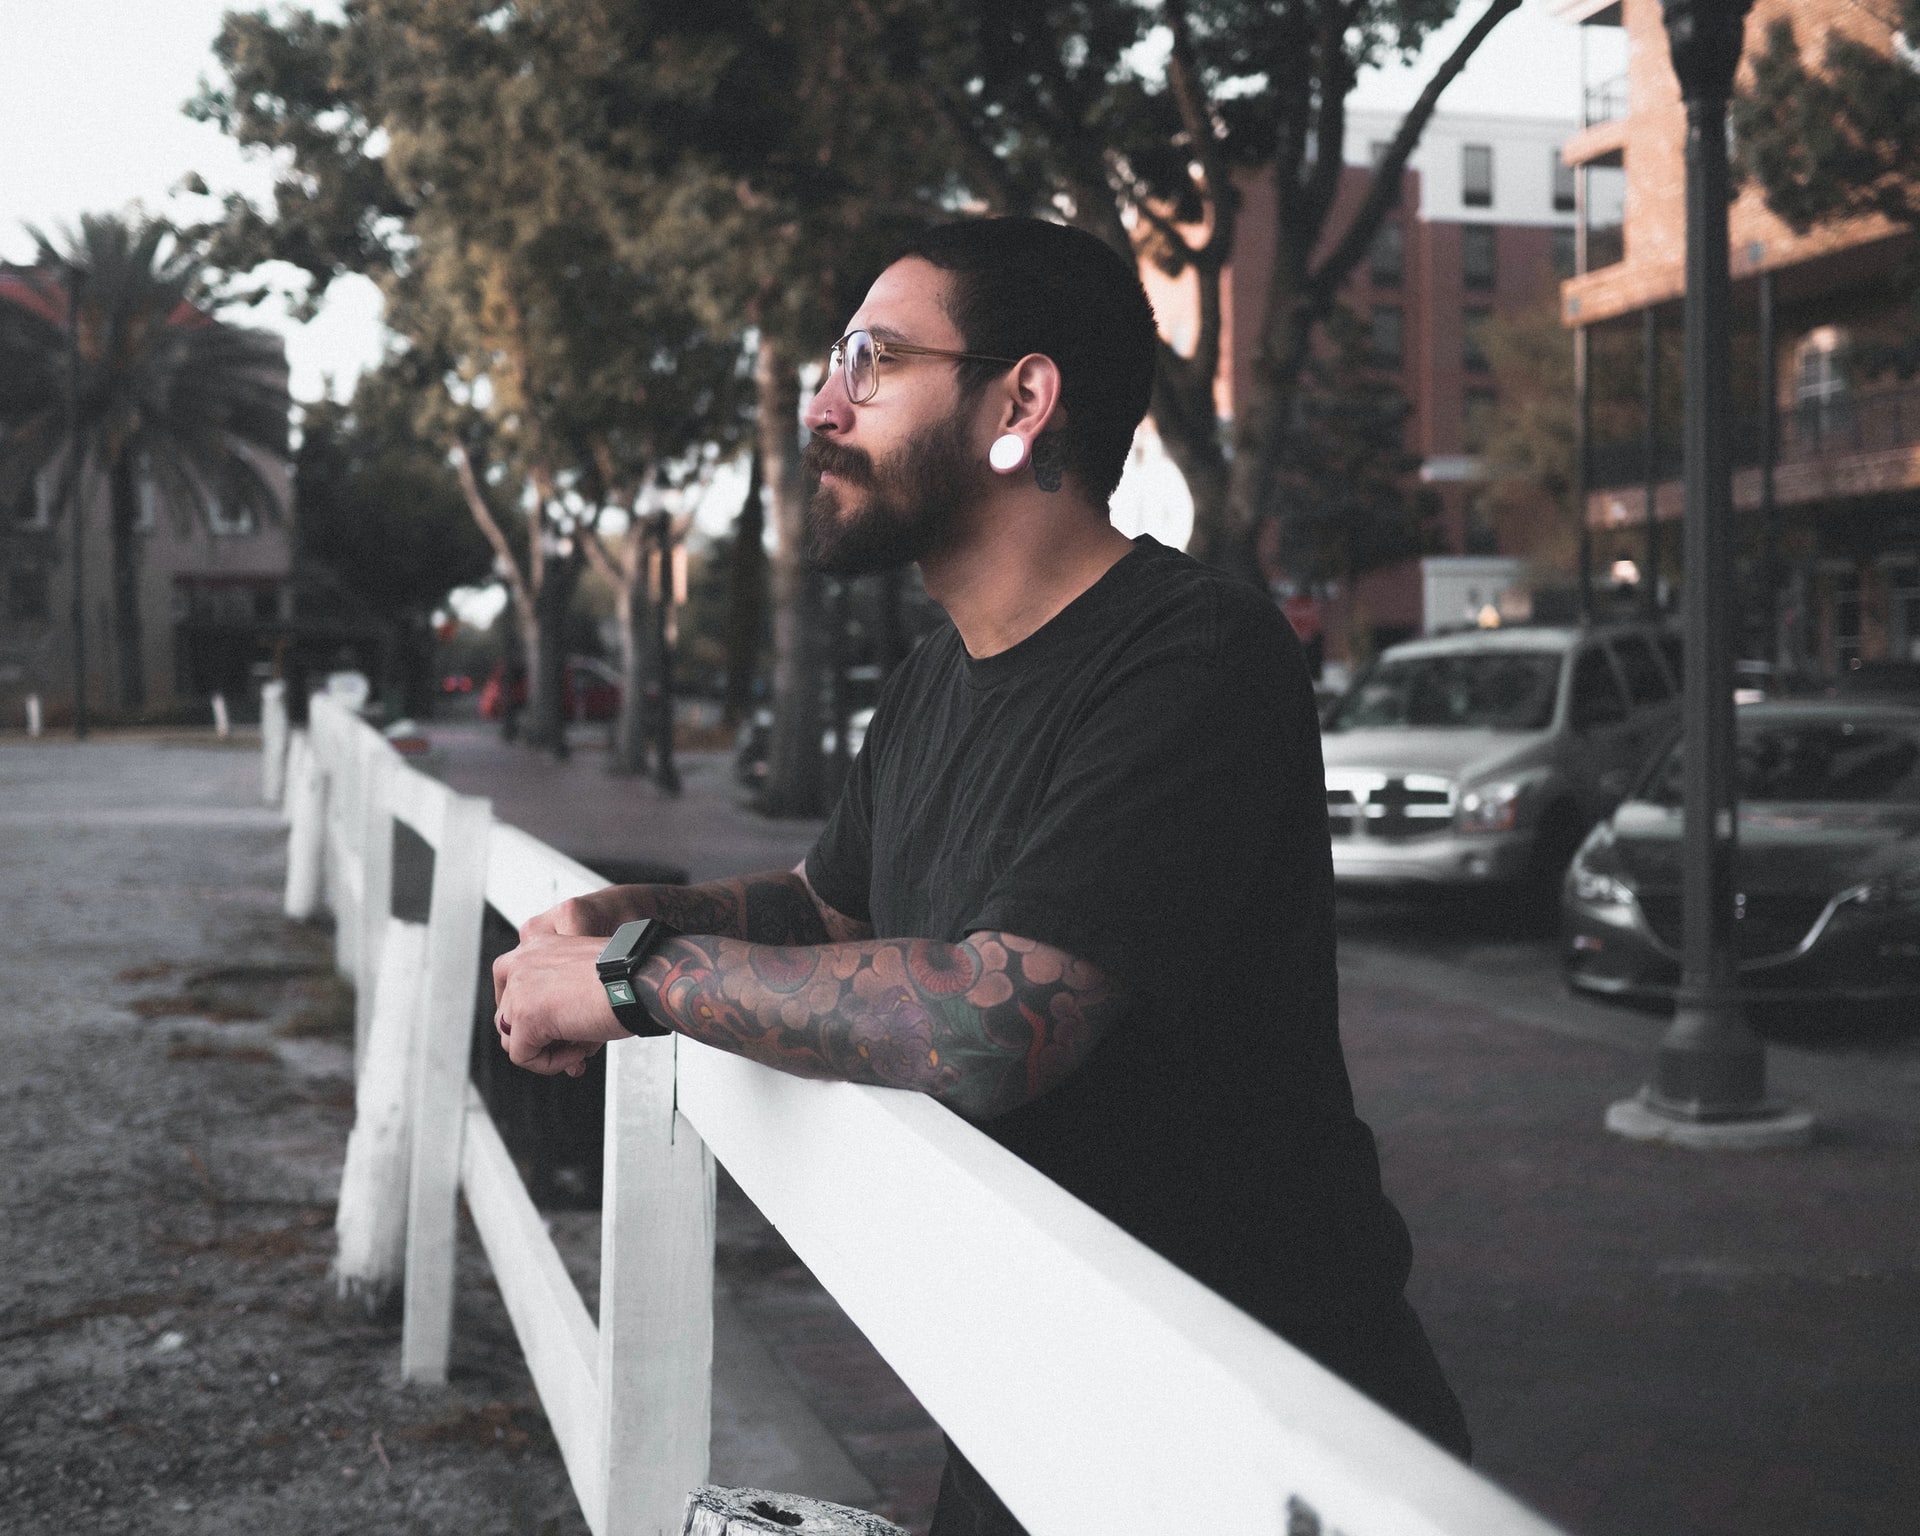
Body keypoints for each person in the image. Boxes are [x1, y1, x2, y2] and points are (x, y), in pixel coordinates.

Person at [491, 217, 1469, 1533]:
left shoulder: (1194, 657)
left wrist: (636, 976)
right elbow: (831, 909)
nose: (822, 406)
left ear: (1022, 398)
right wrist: (637, 910)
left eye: (872, 362)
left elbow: (999, 1018)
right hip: (1033, 1387)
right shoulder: (938, 672)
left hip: (1248, 1427)